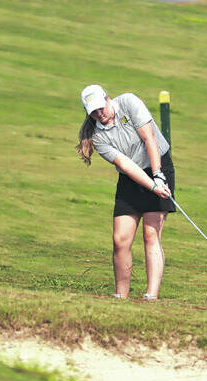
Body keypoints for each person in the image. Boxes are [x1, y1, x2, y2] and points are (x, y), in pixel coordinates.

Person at [76, 84, 175, 300]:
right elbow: (127, 166)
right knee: (120, 239)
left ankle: (151, 296)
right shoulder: (97, 137)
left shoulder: (129, 102)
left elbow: (150, 139)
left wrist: (157, 176)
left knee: (151, 234)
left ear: (108, 99)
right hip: (131, 178)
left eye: (101, 107)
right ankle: (121, 296)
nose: (99, 113)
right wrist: (151, 186)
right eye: (93, 111)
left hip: (158, 164)